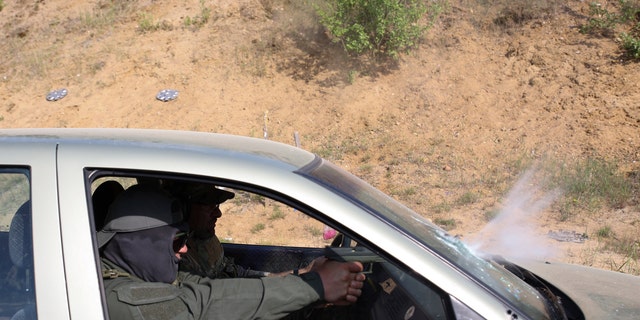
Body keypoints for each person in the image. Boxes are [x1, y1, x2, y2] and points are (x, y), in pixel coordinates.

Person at [98, 184, 365, 320]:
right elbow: (201, 306)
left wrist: (305, 280)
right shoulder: (113, 297)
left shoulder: (146, 272)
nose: (185, 248)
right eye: (176, 240)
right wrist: (315, 285)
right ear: (143, 245)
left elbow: (216, 288)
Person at [169, 182, 318, 279]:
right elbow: (215, 297)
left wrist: (295, 275)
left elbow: (236, 275)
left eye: (217, 207)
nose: (218, 214)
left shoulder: (205, 240)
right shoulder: (174, 255)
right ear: (184, 209)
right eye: (210, 207)